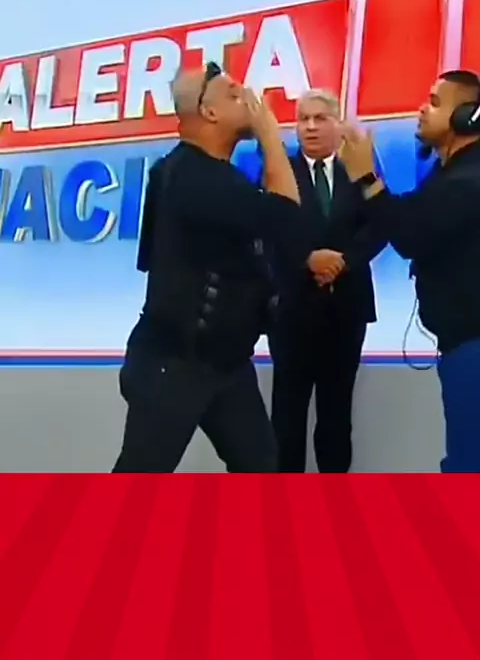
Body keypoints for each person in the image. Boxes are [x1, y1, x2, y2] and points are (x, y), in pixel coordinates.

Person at [113, 62, 329, 473]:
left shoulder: (198, 174)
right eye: (233, 94)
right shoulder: (194, 176)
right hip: (176, 361)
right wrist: (270, 135)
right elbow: (287, 220)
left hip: (224, 360)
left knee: (260, 465)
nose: (249, 99)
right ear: (208, 111)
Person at [339, 69, 480, 473]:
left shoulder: (470, 179)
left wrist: (366, 177)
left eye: (435, 102)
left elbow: (411, 234)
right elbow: (409, 217)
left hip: (472, 348)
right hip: (461, 346)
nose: (422, 109)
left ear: (468, 116)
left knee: (467, 465)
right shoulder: (448, 172)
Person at [268, 90, 387, 473]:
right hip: (292, 312)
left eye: (320, 118)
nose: (310, 127)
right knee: (287, 417)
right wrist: (307, 259)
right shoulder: (278, 171)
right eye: (303, 119)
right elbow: (269, 231)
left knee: (336, 415)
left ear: (337, 123)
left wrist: (343, 262)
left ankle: (333, 501)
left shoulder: (361, 169)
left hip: (346, 310)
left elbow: (379, 225)